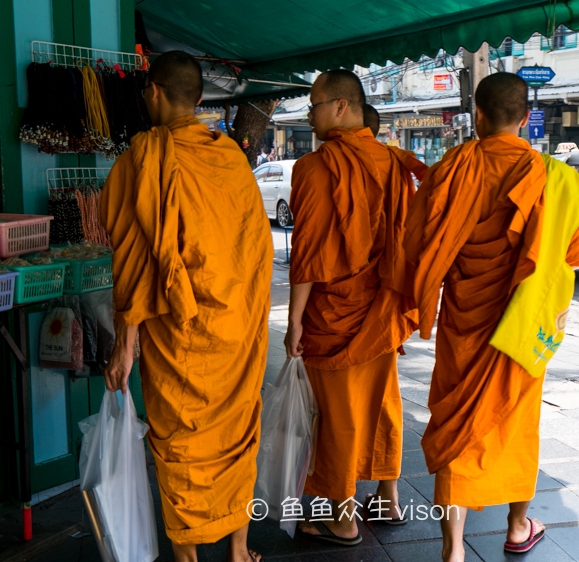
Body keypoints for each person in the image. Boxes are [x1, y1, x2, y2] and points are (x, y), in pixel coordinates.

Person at [403, 72, 579, 562]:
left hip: (464, 321)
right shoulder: (555, 180)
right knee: (515, 423)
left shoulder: (451, 167)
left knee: (456, 423)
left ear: (478, 115)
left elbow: (418, 241)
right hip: (520, 327)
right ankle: (516, 527)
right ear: (526, 118)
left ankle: (452, 549)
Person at [100, 50, 272, 562]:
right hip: (235, 329)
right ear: (199, 100)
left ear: (152, 92)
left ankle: (188, 556)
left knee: (181, 444)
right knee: (236, 434)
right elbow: (255, 249)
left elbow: (131, 264)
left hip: (179, 335)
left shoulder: (142, 159)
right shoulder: (232, 160)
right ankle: (239, 551)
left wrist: (124, 348)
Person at [283, 69, 426, 546]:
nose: (309, 115)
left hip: (334, 313)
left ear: (340, 106)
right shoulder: (390, 160)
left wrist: (294, 320)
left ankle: (342, 517)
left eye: (314, 105)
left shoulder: (315, 167)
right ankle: (387, 497)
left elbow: (307, 255)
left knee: (338, 412)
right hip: (381, 306)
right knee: (382, 399)